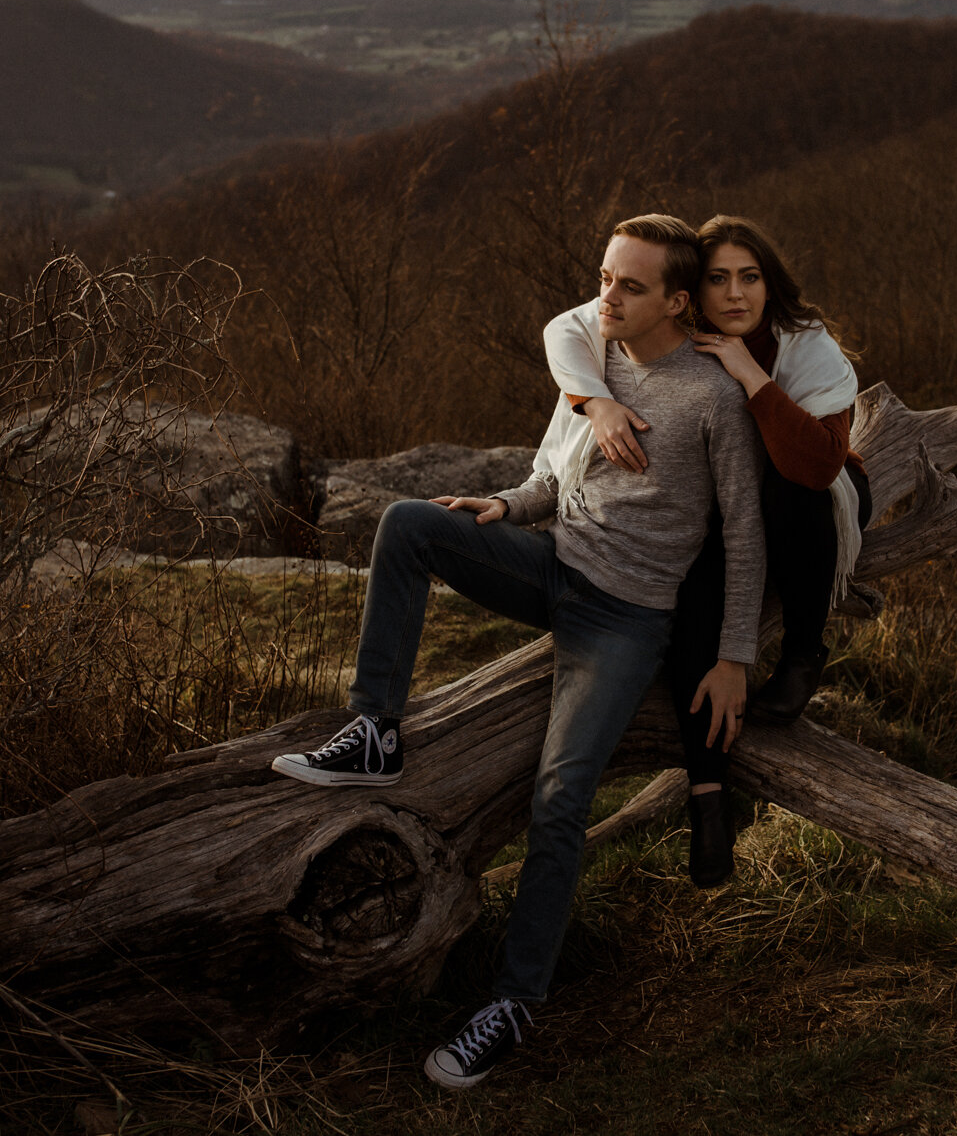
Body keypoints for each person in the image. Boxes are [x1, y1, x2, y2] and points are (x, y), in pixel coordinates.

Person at [272, 213, 767, 1090]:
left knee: (559, 795)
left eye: (630, 285)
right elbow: (554, 473)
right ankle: (376, 729)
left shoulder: (713, 399)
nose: (606, 295)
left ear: (678, 301)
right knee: (411, 523)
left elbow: (745, 534)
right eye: (605, 277)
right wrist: (508, 505)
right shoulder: (596, 361)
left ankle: (511, 1001)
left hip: (624, 619)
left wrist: (732, 655)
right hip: (551, 563)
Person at [541, 214, 870, 888]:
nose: (734, 294)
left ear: (768, 281)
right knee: (697, 589)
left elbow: (816, 464)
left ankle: (806, 649)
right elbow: (563, 330)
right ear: (691, 290)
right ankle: (708, 799)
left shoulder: (805, 344)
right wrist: (598, 402)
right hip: (730, 513)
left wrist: (751, 375)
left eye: (749, 276)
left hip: (814, 501)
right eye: (717, 278)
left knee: (786, 491)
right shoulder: (667, 319)